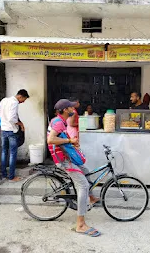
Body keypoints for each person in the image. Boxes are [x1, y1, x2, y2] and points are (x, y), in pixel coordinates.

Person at [47, 99, 101, 237]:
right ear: (65, 110)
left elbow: (61, 138)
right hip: (63, 160)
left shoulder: (59, 120)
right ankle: (80, 224)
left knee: (86, 171)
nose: (73, 108)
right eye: (70, 107)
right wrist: (69, 141)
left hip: (66, 156)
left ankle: (90, 197)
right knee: (82, 185)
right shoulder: (58, 122)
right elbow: (51, 140)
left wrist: (72, 144)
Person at [0, 89, 30, 182]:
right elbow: (12, 118)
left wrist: (4, 118)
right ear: (20, 96)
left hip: (3, 130)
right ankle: (11, 177)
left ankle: (3, 175)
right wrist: (20, 124)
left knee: (4, 152)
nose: (22, 102)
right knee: (12, 154)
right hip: (11, 131)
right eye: (24, 100)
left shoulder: (4, 100)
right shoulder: (14, 103)